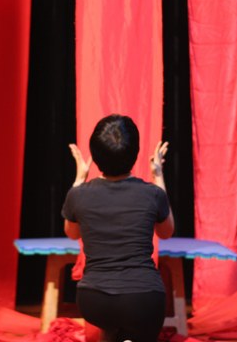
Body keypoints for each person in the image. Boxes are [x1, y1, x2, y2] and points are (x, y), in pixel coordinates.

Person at [61, 114, 174, 342]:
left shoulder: (78, 195)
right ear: (135, 153)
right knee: (135, 323)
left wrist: (80, 178)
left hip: (94, 301)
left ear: (94, 154)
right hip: (143, 300)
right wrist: (158, 176)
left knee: (111, 326)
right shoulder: (153, 194)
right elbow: (166, 232)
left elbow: (72, 233)